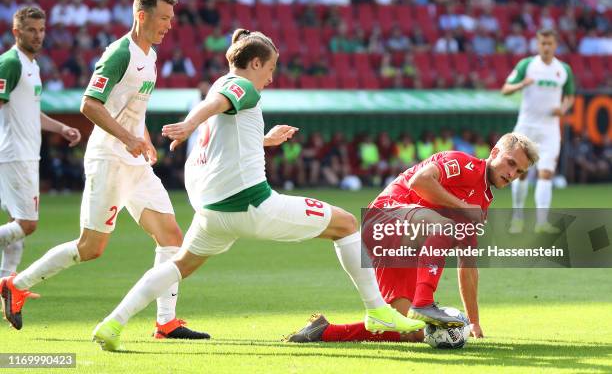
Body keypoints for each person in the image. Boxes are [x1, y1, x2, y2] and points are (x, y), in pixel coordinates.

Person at [91, 28, 425, 351]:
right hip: (252, 205)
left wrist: (263, 139)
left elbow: (224, 134)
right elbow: (218, 104)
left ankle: (113, 322)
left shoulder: (220, 85)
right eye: (270, 68)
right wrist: (189, 123)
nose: (271, 77)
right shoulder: (241, 87)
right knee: (347, 223)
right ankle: (378, 312)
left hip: (213, 214)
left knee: (178, 266)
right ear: (254, 63)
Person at [0, 0, 209, 341]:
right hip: (108, 160)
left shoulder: (151, 56)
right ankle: (16, 285)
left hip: (133, 162)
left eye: (171, 19)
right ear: (142, 16)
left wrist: (141, 138)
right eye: (163, 18)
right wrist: (128, 138)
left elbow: (131, 108)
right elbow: (90, 104)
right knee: (91, 248)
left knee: (172, 237)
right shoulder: (119, 54)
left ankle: (166, 322)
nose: (169, 26)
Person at [286, 133, 539, 343]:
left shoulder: (481, 204)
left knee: (408, 331)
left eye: (519, 171)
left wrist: (473, 321)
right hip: (385, 217)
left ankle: (323, 331)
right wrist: (462, 208)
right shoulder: (463, 163)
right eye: (510, 162)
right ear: (494, 153)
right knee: (446, 227)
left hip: (407, 246)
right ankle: (424, 302)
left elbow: (468, 265)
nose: (512, 173)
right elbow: (420, 181)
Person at [0, 6, 81, 278]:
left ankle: (5, 285)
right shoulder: (10, 63)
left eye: (41, 30)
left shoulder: (31, 65)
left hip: (26, 154)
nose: (38, 36)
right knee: (27, 224)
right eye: (31, 30)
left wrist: (61, 128)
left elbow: (31, 110)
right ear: (16, 31)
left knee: (16, 223)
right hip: (14, 154)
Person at [501, 29, 575, 234]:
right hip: (526, 128)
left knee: (546, 173)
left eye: (550, 43)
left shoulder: (563, 70)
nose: (546, 47)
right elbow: (505, 89)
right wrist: (522, 84)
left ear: (556, 44)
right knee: (520, 174)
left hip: (550, 130)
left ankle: (542, 223)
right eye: (543, 43)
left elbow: (569, 96)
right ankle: (517, 218)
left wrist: (564, 108)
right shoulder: (527, 65)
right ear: (537, 44)